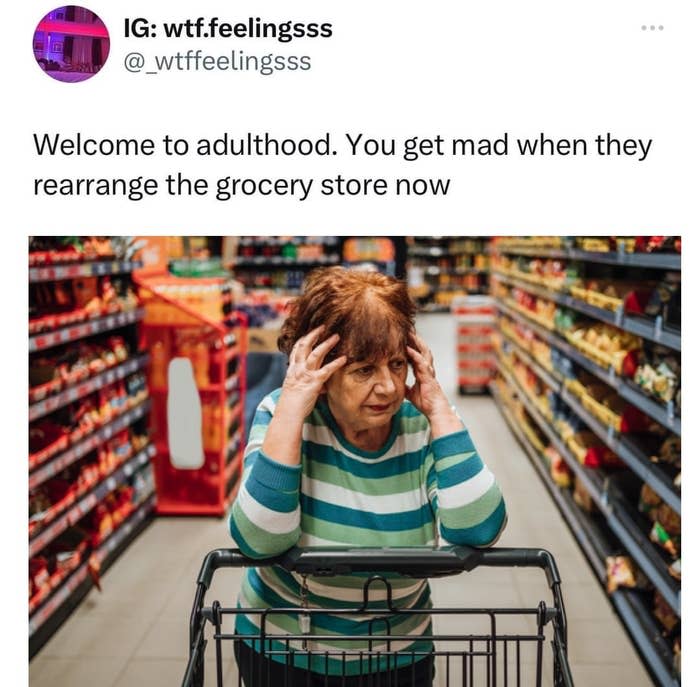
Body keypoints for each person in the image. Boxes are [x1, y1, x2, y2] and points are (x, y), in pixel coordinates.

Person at [228, 266, 507, 686]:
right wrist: (291, 407)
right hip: (284, 655)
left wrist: (437, 407)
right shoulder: (284, 416)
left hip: (397, 660)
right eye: (363, 370)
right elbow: (258, 538)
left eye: (397, 364)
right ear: (319, 369)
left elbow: (480, 528)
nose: (389, 388)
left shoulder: (423, 424)